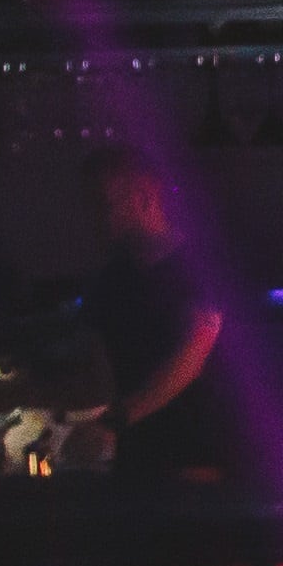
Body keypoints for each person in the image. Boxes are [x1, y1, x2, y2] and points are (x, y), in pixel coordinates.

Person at [77, 152, 228, 480]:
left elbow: (192, 356)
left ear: (144, 198)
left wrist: (116, 419)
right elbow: (97, 368)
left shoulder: (198, 267)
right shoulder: (110, 279)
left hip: (193, 459)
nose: (94, 217)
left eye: (103, 204)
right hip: (133, 458)